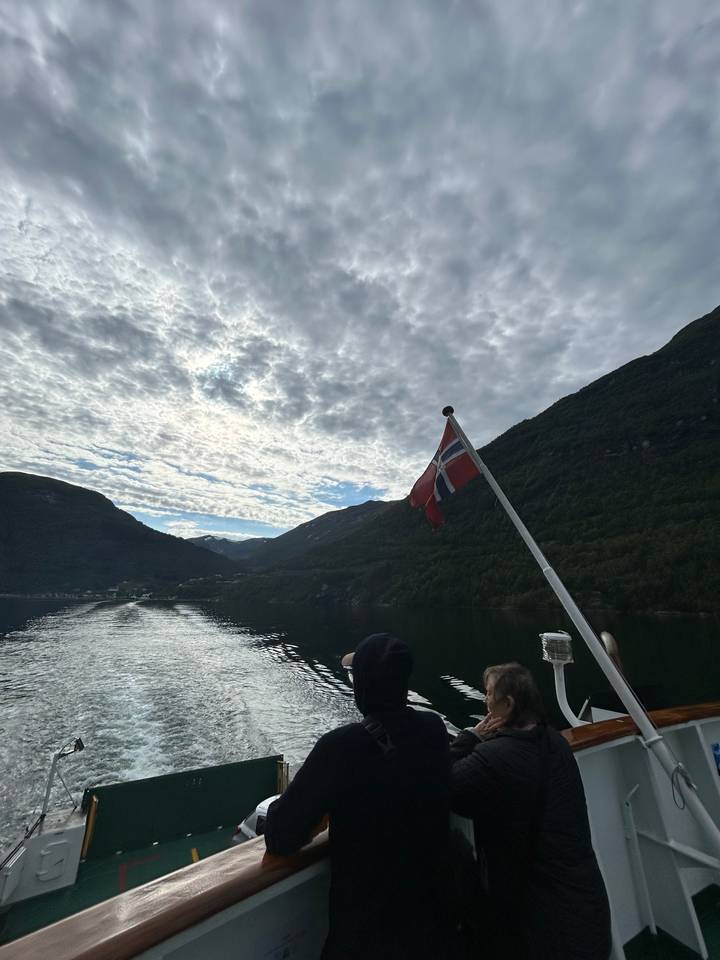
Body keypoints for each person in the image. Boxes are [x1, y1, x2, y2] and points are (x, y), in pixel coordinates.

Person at [264, 632, 457, 959]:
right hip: (432, 926)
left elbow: (281, 835)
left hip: (367, 937)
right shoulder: (434, 729)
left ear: (362, 686)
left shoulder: (341, 746)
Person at [450, 662, 611, 960]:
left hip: (543, 926)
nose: (485, 700)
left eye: (488, 694)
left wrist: (469, 738)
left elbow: (444, 786)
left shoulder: (493, 758)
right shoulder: (554, 742)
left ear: (508, 704)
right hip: (587, 911)